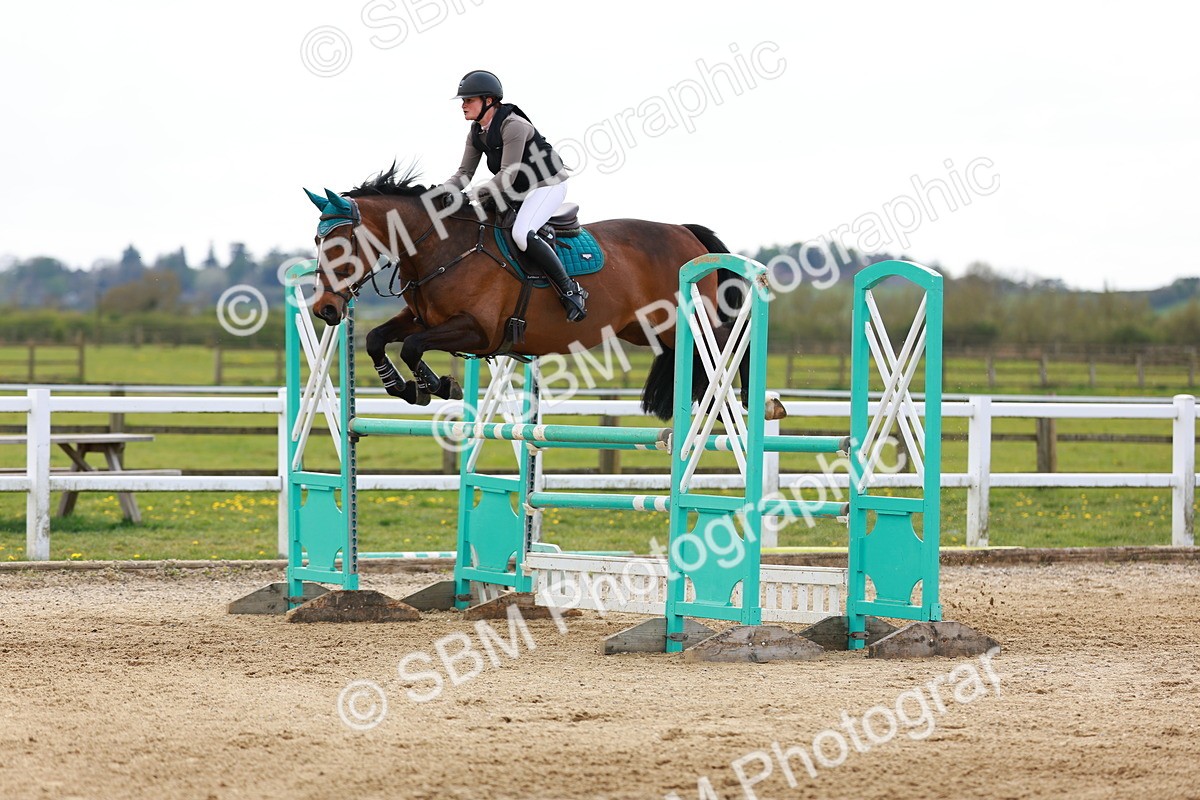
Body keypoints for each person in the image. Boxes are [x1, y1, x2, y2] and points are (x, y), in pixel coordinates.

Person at [437, 70, 587, 321]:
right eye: (463, 100)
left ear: (488, 101)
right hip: (518, 189)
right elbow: (463, 174)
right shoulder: (477, 132)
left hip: (546, 185)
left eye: (469, 100)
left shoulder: (514, 125)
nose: (463, 105)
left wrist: (471, 195)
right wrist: (438, 194)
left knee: (521, 233)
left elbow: (506, 175)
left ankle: (570, 290)